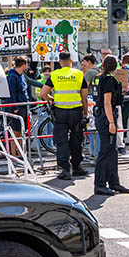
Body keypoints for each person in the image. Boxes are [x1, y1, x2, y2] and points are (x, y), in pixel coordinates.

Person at [41, 52, 89, 181]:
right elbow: (84, 97)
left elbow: (43, 93)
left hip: (60, 113)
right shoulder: (79, 74)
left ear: (60, 62)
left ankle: (65, 170)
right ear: (71, 61)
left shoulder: (54, 75)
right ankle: (77, 167)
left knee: (61, 141)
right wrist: (85, 112)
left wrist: (52, 99)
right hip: (76, 112)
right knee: (77, 140)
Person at [92, 55, 129, 196]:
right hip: (106, 116)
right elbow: (107, 102)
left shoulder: (99, 77)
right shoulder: (108, 80)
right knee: (105, 151)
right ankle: (100, 184)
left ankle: (114, 182)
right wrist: (111, 122)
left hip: (102, 114)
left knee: (112, 151)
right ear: (115, 66)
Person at [79, 55, 99, 162]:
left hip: (90, 101)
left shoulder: (90, 72)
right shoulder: (97, 70)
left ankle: (93, 152)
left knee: (92, 128)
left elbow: (84, 86)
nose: (82, 66)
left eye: (84, 63)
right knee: (94, 128)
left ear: (90, 62)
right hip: (96, 101)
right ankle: (95, 151)